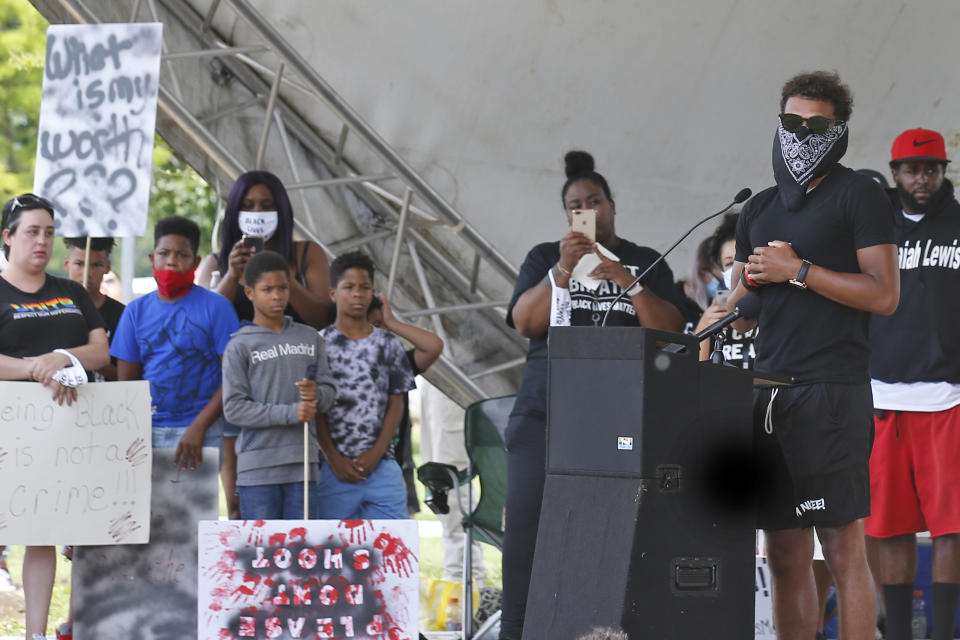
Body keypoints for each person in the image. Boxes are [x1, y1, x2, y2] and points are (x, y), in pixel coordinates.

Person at [728, 71, 898, 640]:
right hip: (766, 392)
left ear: (838, 128)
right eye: (791, 122)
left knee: (843, 552)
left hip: (831, 390)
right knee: (784, 556)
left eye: (815, 124)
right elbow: (748, 300)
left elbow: (884, 294)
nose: (801, 133)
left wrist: (798, 270)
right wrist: (721, 311)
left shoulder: (859, 194)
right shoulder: (759, 208)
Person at [502, 150, 684, 639]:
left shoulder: (644, 260)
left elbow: (670, 330)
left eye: (595, 200)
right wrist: (562, 271)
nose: (587, 209)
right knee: (525, 545)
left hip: (618, 422)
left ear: (612, 205)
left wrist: (627, 280)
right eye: (576, 203)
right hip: (546, 414)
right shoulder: (545, 256)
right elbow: (525, 322)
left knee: (606, 546)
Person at [0, 194, 109, 640]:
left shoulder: (73, 291)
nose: (42, 241)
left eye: (48, 232)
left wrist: (60, 357)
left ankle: (36, 635)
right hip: (9, 432)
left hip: (66, 434)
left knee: (42, 533)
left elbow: (100, 352)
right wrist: (32, 368)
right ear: (8, 237)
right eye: (31, 231)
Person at [865, 128, 960, 640]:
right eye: (910, 169)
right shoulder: (874, 228)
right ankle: (899, 633)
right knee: (890, 526)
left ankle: (944, 634)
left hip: (949, 396)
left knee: (951, 526)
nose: (921, 179)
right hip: (884, 397)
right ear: (895, 171)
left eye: (930, 169)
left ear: (943, 171)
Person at [197, 170, 332, 519]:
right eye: (249, 205)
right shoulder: (216, 261)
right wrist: (232, 274)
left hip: (294, 398)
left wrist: (280, 272)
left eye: (267, 206)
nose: (258, 211)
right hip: (238, 396)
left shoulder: (306, 254)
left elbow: (322, 317)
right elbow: (202, 324)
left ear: (282, 210)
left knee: (300, 517)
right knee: (241, 508)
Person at [112, 216, 239, 466]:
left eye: (182, 255)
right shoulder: (135, 311)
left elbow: (234, 377)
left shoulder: (218, 308)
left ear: (197, 262)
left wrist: (199, 427)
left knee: (191, 506)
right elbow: (126, 382)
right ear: (152, 259)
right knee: (148, 507)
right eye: (164, 253)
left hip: (202, 431)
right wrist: (136, 432)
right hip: (147, 432)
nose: (171, 261)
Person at [221, 251, 337, 519]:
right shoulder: (239, 345)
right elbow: (235, 409)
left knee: (302, 554)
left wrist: (316, 395)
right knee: (263, 555)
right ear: (250, 293)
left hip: (303, 465)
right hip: (256, 468)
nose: (277, 296)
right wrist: (290, 413)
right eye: (267, 289)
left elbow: (330, 393)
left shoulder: (310, 338)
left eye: (283, 288)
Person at [316, 251, 416, 519]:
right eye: (348, 287)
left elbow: (397, 403)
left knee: (392, 550)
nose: (357, 294)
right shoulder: (318, 344)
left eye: (364, 287)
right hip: (333, 468)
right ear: (333, 293)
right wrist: (334, 459)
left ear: (373, 292)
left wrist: (376, 452)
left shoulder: (388, 343)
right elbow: (315, 409)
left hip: (382, 465)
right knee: (334, 552)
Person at [367, 293, 444, 515]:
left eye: (379, 324)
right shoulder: (341, 362)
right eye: (370, 325)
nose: (377, 332)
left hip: (391, 471)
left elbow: (433, 346)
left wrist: (392, 322)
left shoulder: (396, 364)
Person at [62, 236, 125, 381]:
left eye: (96, 265)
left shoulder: (122, 315)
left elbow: (125, 375)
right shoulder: (53, 310)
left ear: (108, 267)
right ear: (67, 264)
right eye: (79, 264)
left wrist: (89, 355)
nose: (88, 273)